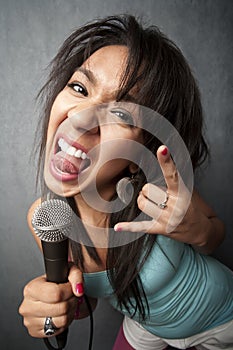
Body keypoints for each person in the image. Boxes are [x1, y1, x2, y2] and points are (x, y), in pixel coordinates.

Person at [19, 15, 233, 350]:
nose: (80, 117)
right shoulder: (46, 219)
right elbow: (85, 302)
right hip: (145, 327)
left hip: (221, 318)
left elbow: (215, 234)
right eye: (79, 88)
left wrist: (200, 232)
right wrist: (53, 309)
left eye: (121, 114)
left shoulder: (163, 188)